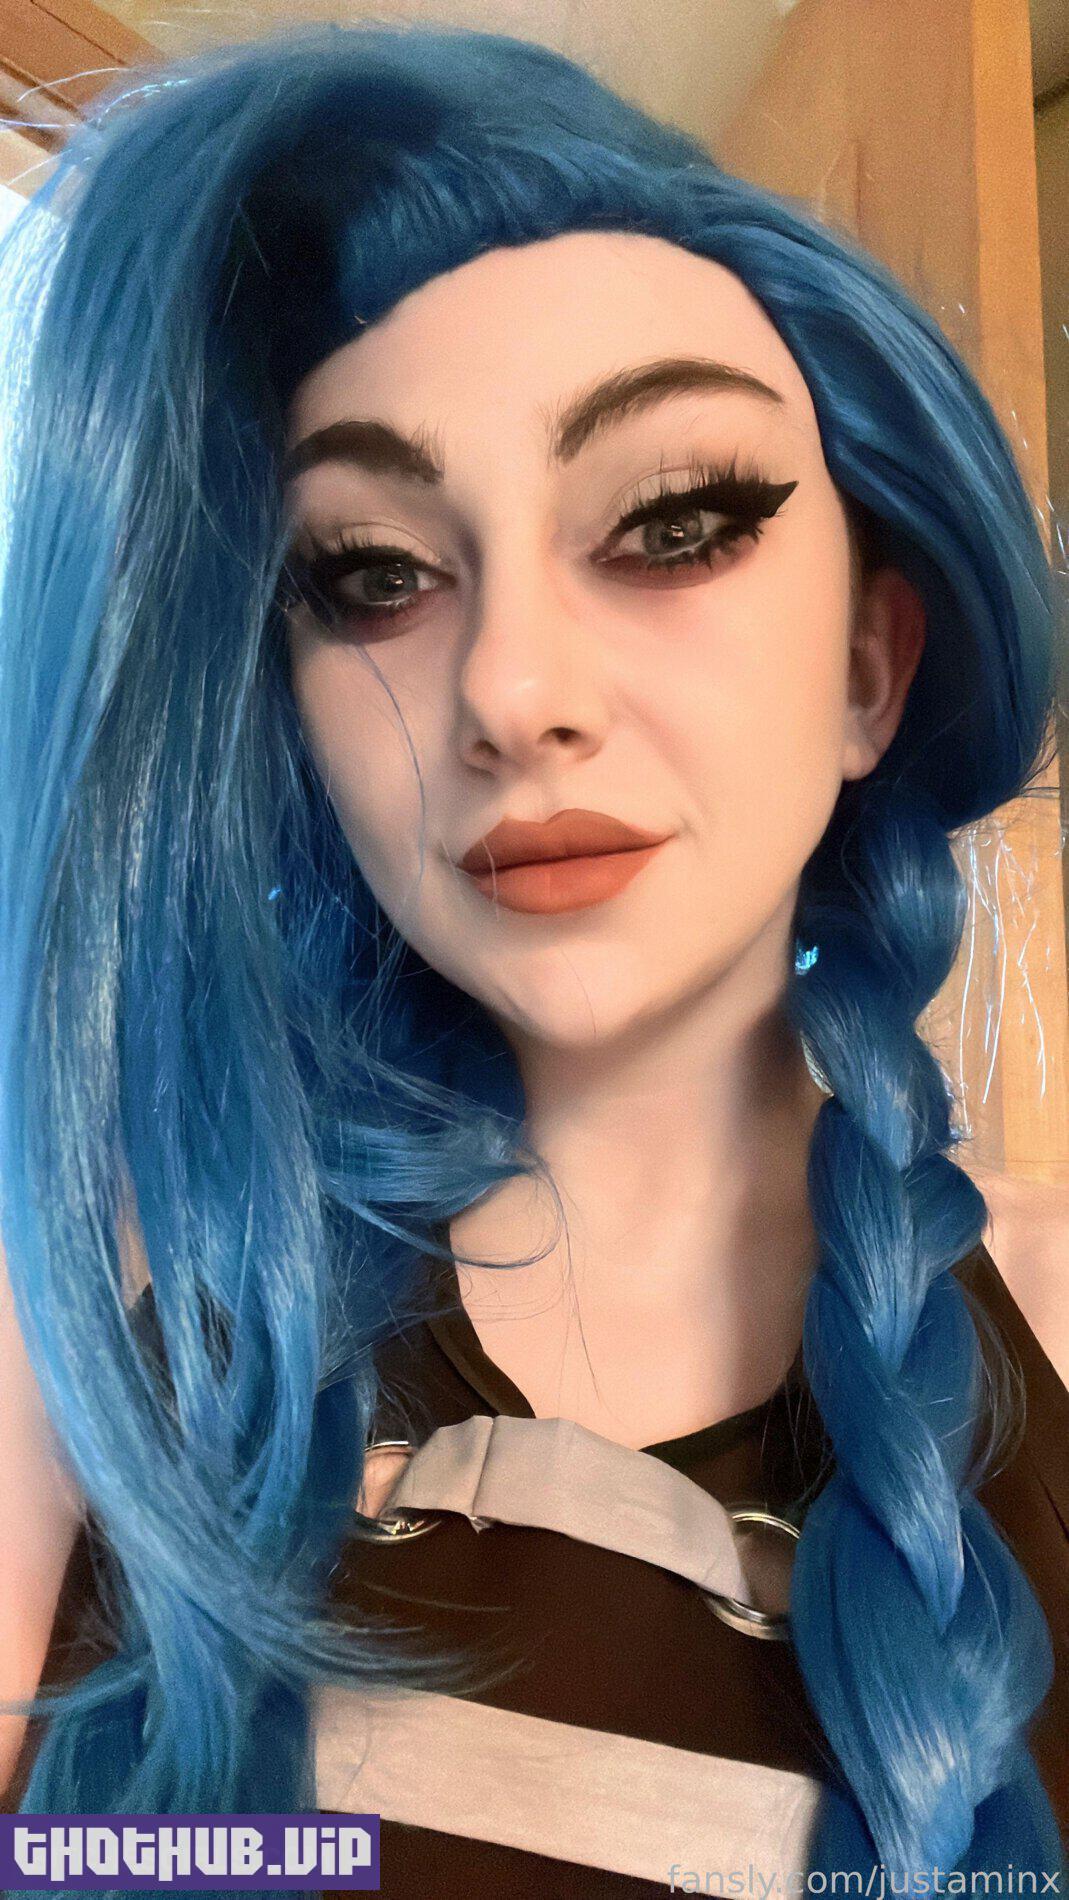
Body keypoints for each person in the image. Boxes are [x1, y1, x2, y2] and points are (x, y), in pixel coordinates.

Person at [0, 20, 1065, 1898]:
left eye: (672, 524)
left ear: (866, 667)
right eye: (372, 575)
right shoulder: (86, 1324)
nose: (508, 691)